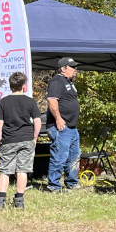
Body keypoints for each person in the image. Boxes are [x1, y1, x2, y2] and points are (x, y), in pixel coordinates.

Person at [0, 71, 41, 211]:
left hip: (8, 140)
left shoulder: (3, 101)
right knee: (22, 170)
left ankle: (0, 201)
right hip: (26, 139)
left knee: (5, 171)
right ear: (24, 86)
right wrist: (34, 138)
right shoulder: (30, 101)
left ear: (10, 86)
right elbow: (37, 121)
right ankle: (19, 200)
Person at [45, 57, 81, 192]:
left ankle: (71, 182)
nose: (75, 70)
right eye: (72, 67)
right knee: (60, 155)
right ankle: (53, 185)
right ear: (63, 68)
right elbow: (52, 100)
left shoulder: (69, 82)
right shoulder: (57, 81)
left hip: (72, 127)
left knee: (74, 155)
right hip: (60, 126)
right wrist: (58, 119)